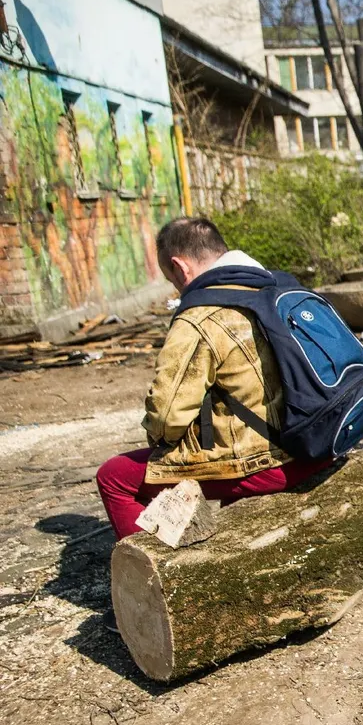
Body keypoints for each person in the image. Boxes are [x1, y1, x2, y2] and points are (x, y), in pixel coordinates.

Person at [95, 218, 332, 546]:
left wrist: (163, 441)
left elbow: (166, 418)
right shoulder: (277, 288)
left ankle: (159, 569)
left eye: (172, 281)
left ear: (180, 267)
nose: (177, 290)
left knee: (113, 476)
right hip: (322, 442)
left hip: (274, 464)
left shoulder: (199, 317)